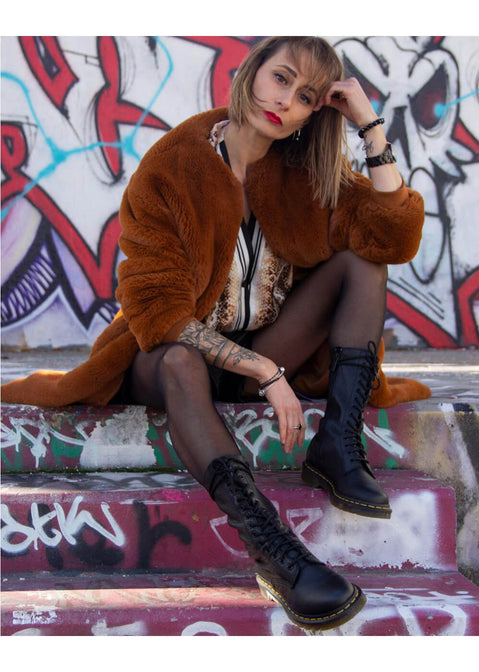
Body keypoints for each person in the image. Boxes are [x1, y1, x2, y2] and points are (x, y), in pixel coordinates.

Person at [2, 36, 430, 631]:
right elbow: (158, 314)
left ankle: (337, 442)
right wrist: (265, 372)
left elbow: (394, 237)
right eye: (280, 78)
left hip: (263, 352)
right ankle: (274, 550)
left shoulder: (306, 172)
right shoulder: (175, 165)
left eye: (306, 97)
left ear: (313, 114)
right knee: (179, 358)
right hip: (172, 363)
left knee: (364, 262)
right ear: (251, 71)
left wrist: (370, 127)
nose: (285, 101)